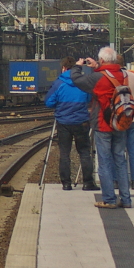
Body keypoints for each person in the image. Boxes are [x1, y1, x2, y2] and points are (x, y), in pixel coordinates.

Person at [70, 46, 132, 209]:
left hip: (103, 124)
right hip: (120, 123)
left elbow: (77, 80)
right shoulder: (124, 74)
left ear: (102, 60)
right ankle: (126, 199)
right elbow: (110, 76)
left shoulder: (98, 78)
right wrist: (98, 66)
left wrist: (78, 66)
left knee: (104, 162)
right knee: (120, 160)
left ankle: (109, 199)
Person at [45, 56, 99, 191]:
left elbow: (49, 102)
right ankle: (88, 183)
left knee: (64, 153)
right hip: (81, 122)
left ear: (63, 68)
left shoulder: (58, 83)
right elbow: (89, 97)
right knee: (85, 152)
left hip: (63, 122)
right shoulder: (83, 82)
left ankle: (66, 183)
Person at [117, 56, 134, 190]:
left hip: (121, 118)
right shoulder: (133, 77)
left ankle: (118, 180)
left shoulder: (115, 77)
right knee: (133, 150)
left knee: (118, 150)